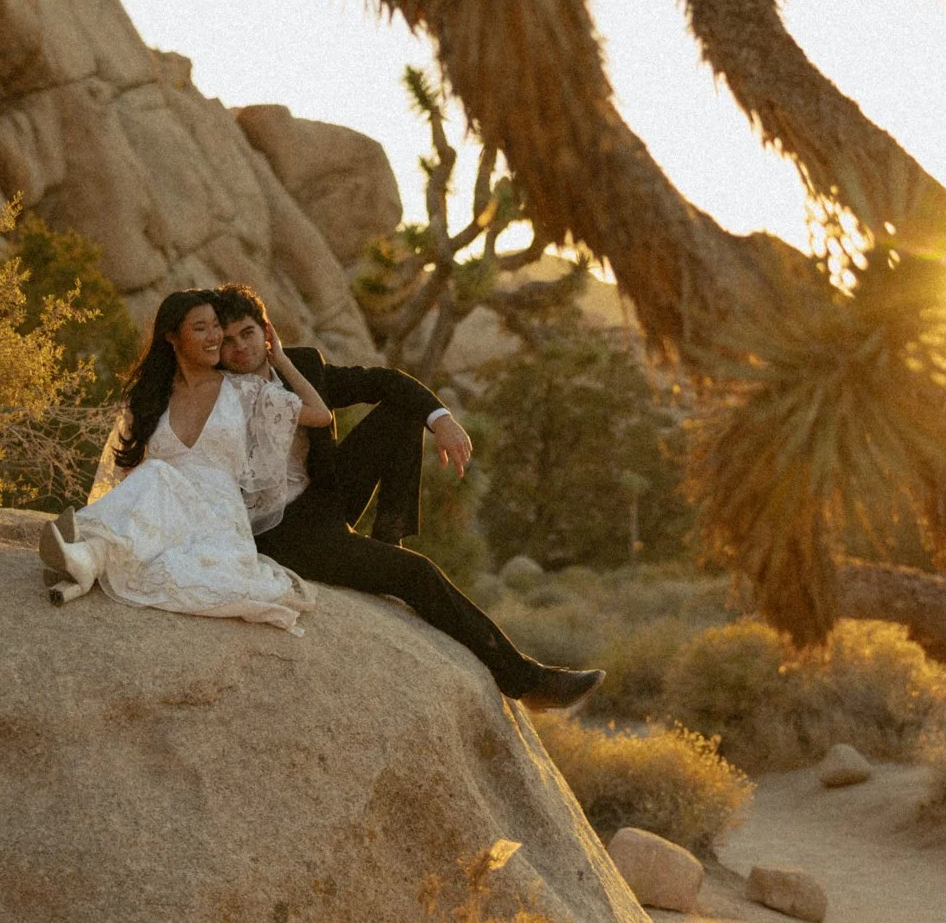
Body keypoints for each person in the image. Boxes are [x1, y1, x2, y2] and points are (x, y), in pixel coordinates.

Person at [209, 283, 604, 710]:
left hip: (325, 496)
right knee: (417, 574)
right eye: (227, 341)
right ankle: (527, 683)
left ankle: (388, 536)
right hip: (285, 531)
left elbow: (388, 382)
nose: (238, 348)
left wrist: (443, 420)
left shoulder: (301, 365)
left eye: (246, 333)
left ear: (266, 330)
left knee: (401, 411)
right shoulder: (215, 393)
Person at [39, 289, 332, 632]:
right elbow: (125, 473)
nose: (215, 337)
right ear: (173, 338)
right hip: (163, 515)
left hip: (216, 519)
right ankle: (88, 561)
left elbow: (320, 415)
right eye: (200, 328)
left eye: (215, 326)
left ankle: (89, 559)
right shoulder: (149, 397)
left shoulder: (243, 391)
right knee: (155, 474)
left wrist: (279, 358)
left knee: (157, 473)